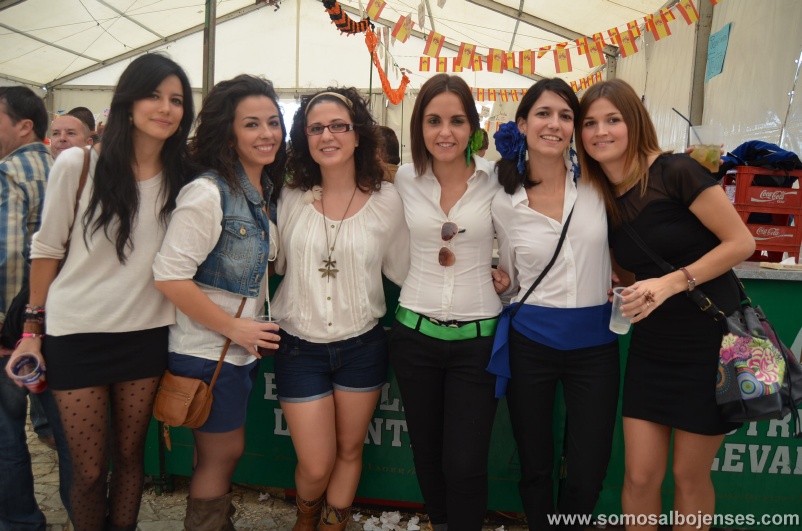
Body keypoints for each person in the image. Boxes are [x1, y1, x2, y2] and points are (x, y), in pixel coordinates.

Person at [6, 53, 196, 531]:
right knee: (89, 470)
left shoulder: (184, 177)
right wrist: (32, 329)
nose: (165, 108)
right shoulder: (79, 164)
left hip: (146, 335)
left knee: (131, 459)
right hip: (76, 335)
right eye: (153, 95)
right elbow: (46, 248)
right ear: (128, 102)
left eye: (176, 100)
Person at [577, 78, 755, 530]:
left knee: (688, 477)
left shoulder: (676, 171)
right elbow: (631, 272)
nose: (601, 131)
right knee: (639, 477)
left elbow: (741, 242)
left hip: (709, 344)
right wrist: (622, 288)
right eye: (590, 123)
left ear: (635, 123)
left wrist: (673, 282)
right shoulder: (601, 197)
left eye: (613, 120)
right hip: (652, 348)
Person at [271, 87, 408, 530]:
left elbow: (404, 268)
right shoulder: (290, 196)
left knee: (350, 450)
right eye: (316, 128)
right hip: (298, 347)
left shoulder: (387, 200)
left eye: (338, 126)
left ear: (357, 134)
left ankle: (333, 526)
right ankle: (305, 521)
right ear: (304, 138)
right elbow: (276, 263)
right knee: (315, 464)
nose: (327, 135)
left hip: (362, 346)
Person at [153, 74, 285, 530]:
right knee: (222, 453)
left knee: (219, 453)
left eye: (273, 122)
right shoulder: (208, 193)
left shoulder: (263, 192)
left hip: (235, 350)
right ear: (229, 134)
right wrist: (236, 328)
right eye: (252, 124)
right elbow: (169, 275)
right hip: (207, 349)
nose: (267, 133)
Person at [488, 78, 620, 529]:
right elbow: (510, 280)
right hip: (530, 342)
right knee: (535, 463)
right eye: (543, 113)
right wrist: (499, 282)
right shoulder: (503, 199)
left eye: (566, 116)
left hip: (595, 343)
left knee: (588, 467)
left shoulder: (599, 185)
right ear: (523, 124)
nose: (554, 124)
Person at [389, 74, 506, 530]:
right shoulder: (404, 179)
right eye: (433, 121)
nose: (445, 132)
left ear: (472, 126)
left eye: (457, 121)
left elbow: (522, 239)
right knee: (427, 452)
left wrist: (508, 278)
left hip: (478, 341)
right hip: (413, 336)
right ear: (419, 126)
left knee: (465, 462)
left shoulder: (497, 179)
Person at [0, 85, 73, 531]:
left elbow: (7, 256)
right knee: (72, 440)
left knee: (5, 436)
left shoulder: (8, 172)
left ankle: (20, 522)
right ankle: (85, 517)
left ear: (24, 125)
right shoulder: (64, 169)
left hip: (15, 328)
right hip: (63, 323)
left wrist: (7, 327)